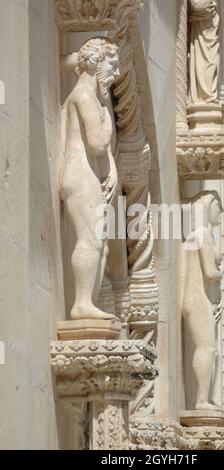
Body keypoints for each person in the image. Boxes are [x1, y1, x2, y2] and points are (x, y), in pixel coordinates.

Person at [60, 37, 120, 320]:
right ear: (96, 62)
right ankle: (81, 303)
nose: (116, 73)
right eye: (113, 65)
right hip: (79, 174)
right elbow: (96, 143)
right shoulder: (84, 96)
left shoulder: (89, 96)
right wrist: (107, 118)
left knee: (98, 241)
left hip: (86, 173)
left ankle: (87, 301)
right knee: (90, 239)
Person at [182, 191, 223, 410]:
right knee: (207, 347)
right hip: (198, 297)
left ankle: (202, 398)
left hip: (194, 296)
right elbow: (210, 272)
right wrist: (222, 271)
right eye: (218, 206)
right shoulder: (203, 234)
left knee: (206, 347)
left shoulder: (194, 234)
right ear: (209, 206)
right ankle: (201, 400)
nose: (221, 212)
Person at [188, 0, 220, 104]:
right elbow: (196, 5)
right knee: (206, 63)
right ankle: (205, 95)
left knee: (212, 63)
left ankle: (208, 95)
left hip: (210, 26)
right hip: (202, 26)